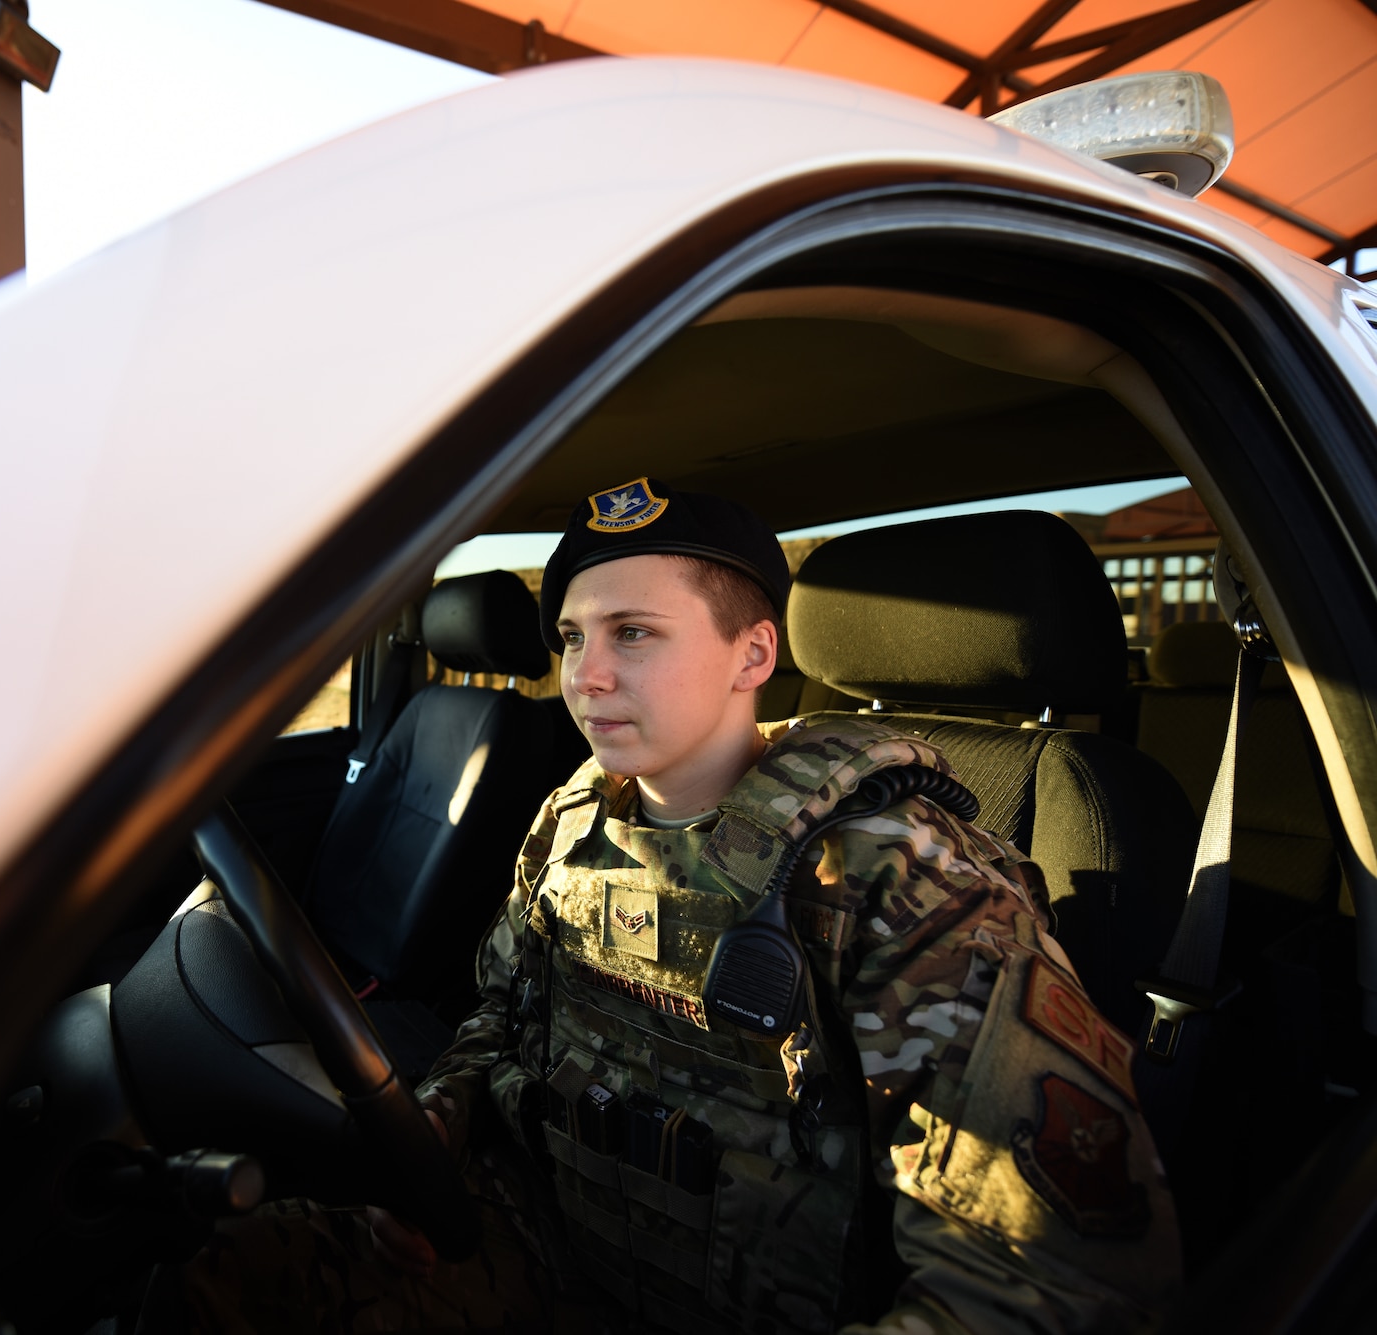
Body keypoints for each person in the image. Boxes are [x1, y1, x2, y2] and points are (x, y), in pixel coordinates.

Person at [187, 480, 1181, 1334]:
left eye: (634, 634)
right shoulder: (577, 810)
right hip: (552, 1240)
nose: (586, 674)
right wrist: (442, 1127)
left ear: (751, 657)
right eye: (572, 636)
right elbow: (498, 1013)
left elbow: (1041, 1277)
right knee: (215, 1275)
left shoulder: (893, 876)